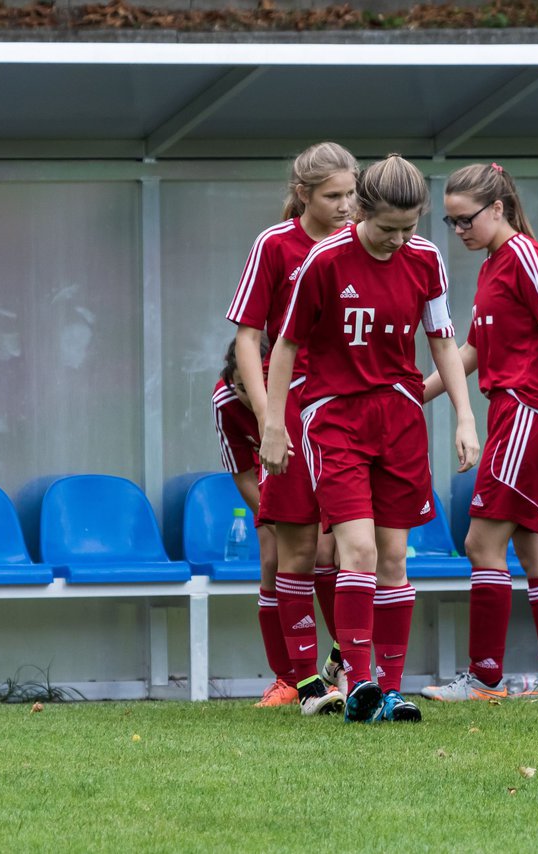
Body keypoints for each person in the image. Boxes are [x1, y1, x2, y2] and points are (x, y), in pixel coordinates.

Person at [261, 154, 480, 724]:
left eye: (409, 229)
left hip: (400, 419)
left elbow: (441, 340)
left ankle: (389, 689)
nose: (398, 240)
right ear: (360, 211)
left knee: (393, 559)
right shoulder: (323, 261)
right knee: (354, 550)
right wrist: (274, 422)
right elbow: (283, 347)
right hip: (335, 417)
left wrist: (464, 416)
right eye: (387, 230)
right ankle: (359, 682)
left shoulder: (426, 260)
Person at [420, 162, 538, 703]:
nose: (459, 230)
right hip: (519, 414)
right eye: (450, 222)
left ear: (498, 208)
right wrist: (412, 394)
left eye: (465, 219)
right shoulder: (493, 264)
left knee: (480, 541)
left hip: (529, 414)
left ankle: (485, 679)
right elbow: (469, 352)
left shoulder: (528, 258)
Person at [226, 142, 358, 715]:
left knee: (353, 549)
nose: (348, 206)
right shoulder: (274, 245)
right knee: (287, 550)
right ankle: (294, 679)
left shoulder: (366, 243)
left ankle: (354, 672)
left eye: (353, 193)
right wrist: (269, 417)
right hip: (292, 411)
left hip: (348, 413)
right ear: (303, 194)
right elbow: (248, 338)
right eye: (334, 196)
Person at [211, 337, 296, 707]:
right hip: (270, 481)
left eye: (256, 386)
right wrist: (275, 518)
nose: (248, 397)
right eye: (241, 387)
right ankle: (286, 679)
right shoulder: (225, 403)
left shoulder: (296, 388)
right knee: (272, 561)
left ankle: (342, 669)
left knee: (333, 559)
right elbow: (244, 474)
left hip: (316, 475)